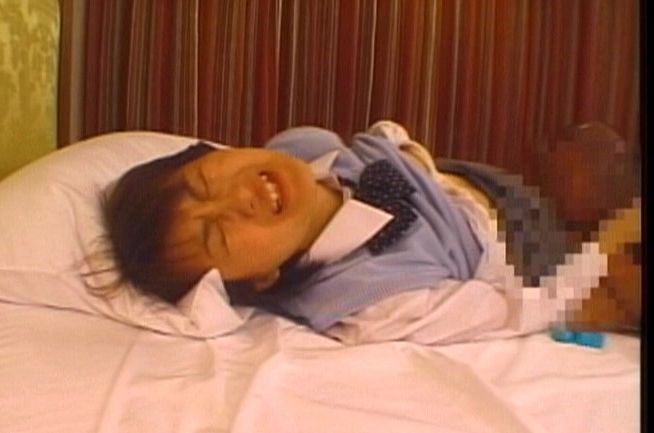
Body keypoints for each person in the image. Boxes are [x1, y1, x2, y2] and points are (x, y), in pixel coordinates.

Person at [100, 121, 640, 336]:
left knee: (591, 148)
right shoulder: (369, 298)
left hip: (468, 179)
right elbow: (507, 311)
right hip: (517, 250)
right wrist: (591, 272)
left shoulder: (300, 149)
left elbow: (379, 142)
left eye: (204, 181)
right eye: (217, 235)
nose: (236, 198)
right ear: (261, 278)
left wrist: (409, 153)